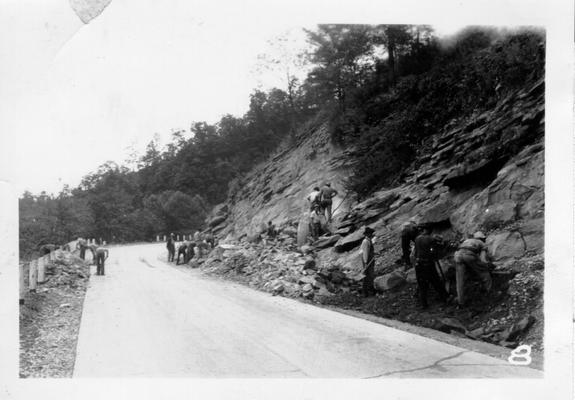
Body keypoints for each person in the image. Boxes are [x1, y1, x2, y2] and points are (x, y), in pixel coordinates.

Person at [413, 224, 449, 309]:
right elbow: (434, 250)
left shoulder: (417, 238)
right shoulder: (430, 239)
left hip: (418, 264)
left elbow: (416, 252)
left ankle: (424, 304)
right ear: (428, 230)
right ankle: (445, 298)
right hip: (428, 264)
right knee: (436, 281)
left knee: (422, 284)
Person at [454, 231, 493, 307]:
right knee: (485, 273)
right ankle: (489, 292)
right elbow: (483, 259)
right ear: (482, 238)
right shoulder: (481, 243)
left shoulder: (466, 240)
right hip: (468, 255)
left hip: (457, 255)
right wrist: (487, 265)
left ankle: (461, 302)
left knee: (459, 281)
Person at [360, 226, 377, 297]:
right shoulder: (365, 241)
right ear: (367, 234)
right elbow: (365, 252)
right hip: (367, 260)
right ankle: (365, 292)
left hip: (369, 259)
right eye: (370, 233)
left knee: (370, 275)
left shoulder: (369, 240)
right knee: (367, 276)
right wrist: (366, 262)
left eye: (371, 233)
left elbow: (369, 251)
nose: (371, 234)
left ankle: (370, 291)